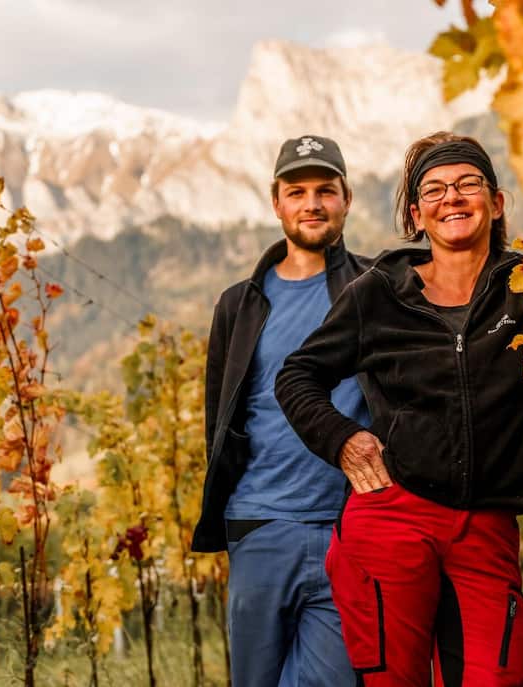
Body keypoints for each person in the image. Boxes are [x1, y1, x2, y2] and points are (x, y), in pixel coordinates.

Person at [275, 132, 523, 686]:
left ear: (496, 203)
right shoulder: (379, 291)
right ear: (416, 214)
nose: (451, 198)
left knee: (497, 678)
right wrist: (342, 439)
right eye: (434, 190)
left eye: (468, 184)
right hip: (392, 513)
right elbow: (298, 375)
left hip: (488, 521)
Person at [191, 135, 372, 686]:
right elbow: (219, 418)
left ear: (346, 198)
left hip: (348, 527)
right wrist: (236, 520)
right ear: (277, 203)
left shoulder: (375, 289)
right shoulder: (239, 303)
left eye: (325, 191)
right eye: (297, 192)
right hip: (260, 524)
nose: (312, 203)